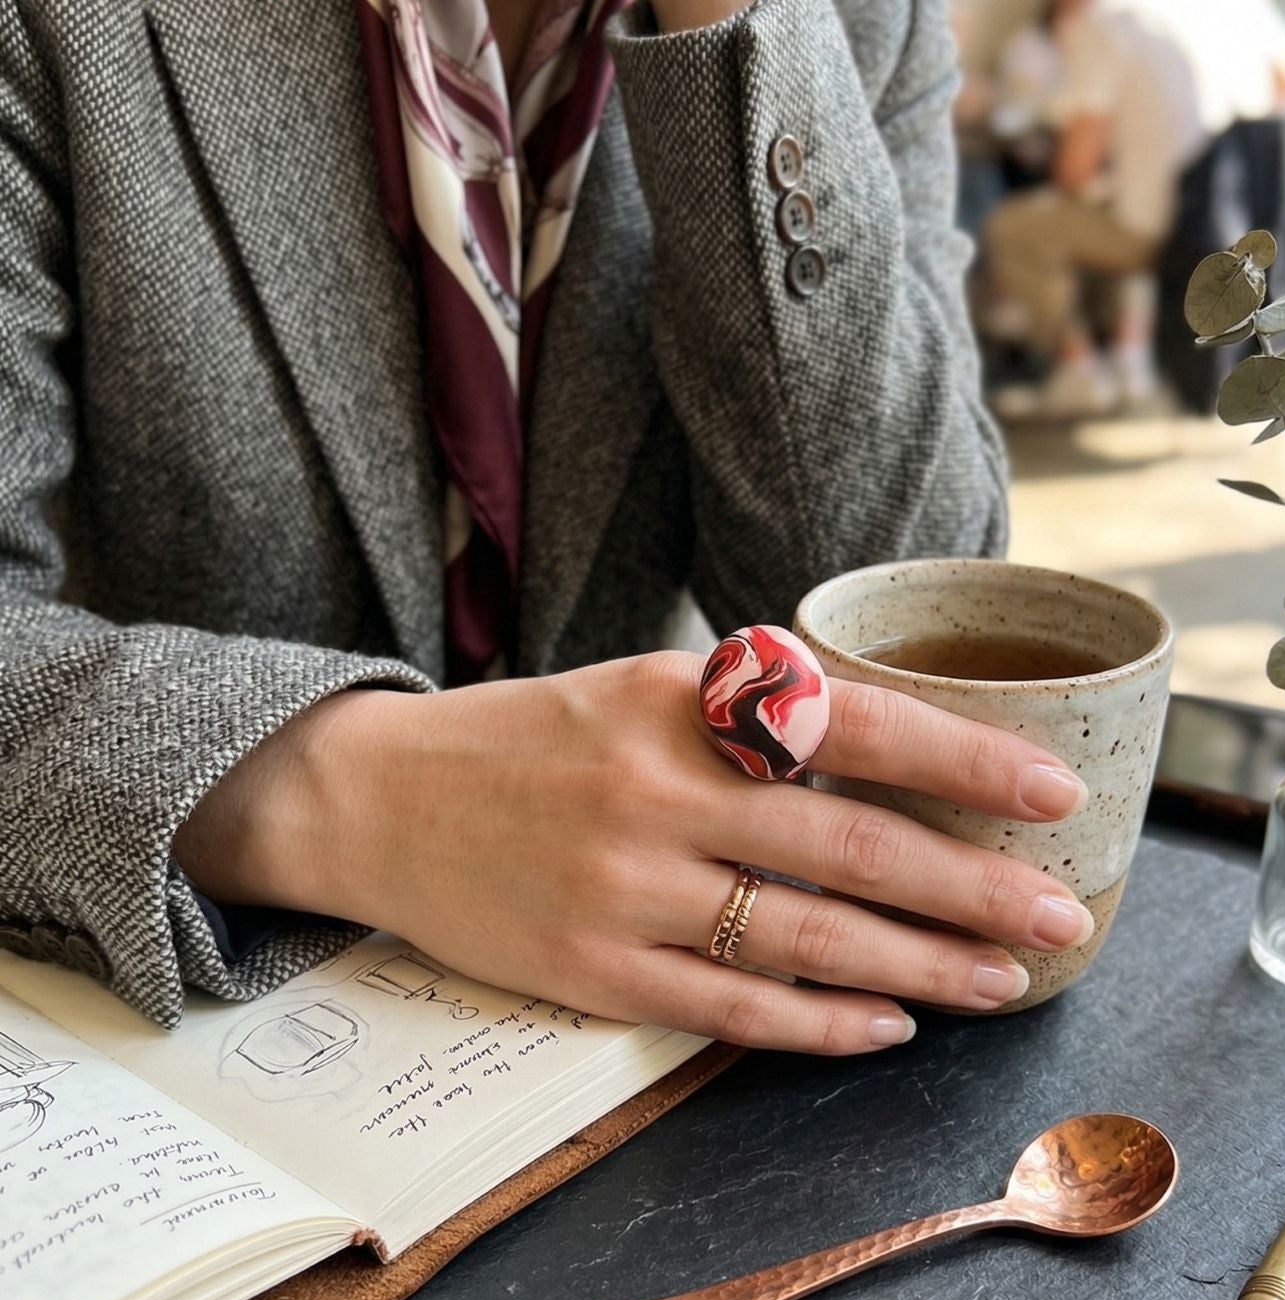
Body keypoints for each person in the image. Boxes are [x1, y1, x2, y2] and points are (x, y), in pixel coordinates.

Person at [0, 0, 1098, 1059]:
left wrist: (739, 42)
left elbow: (901, 609)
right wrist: (363, 797)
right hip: (192, 1053)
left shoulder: (864, 19)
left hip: (637, 1067)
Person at [982, 0, 1285, 417]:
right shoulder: (1229, 14)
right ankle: (1129, 359)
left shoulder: (1107, 25)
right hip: (1236, 222)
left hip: (1165, 226)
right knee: (1118, 208)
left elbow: (1073, 169)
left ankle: (1078, 368)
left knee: (1017, 226)